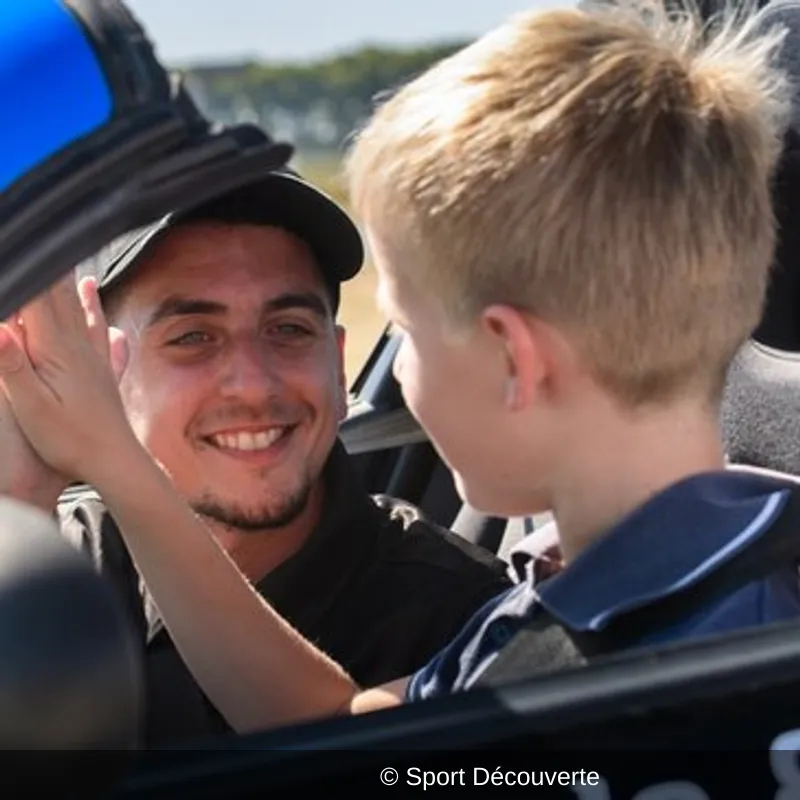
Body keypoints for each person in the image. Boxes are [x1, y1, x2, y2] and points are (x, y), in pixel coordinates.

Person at [0, 0, 797, 735]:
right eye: (194, 338)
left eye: (407, 331)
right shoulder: (558, 622)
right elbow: (333, 725)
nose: (397, 371)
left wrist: (112, 459)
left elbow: (349, 761)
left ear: (512, 357)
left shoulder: (522, 674)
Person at [0, 167, 510, 746]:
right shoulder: (62, 558)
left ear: (340, 367)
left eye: (288, 329)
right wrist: (20, 499)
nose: (253, 384)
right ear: (102, 371)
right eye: (193, 336)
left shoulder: (467, 622)